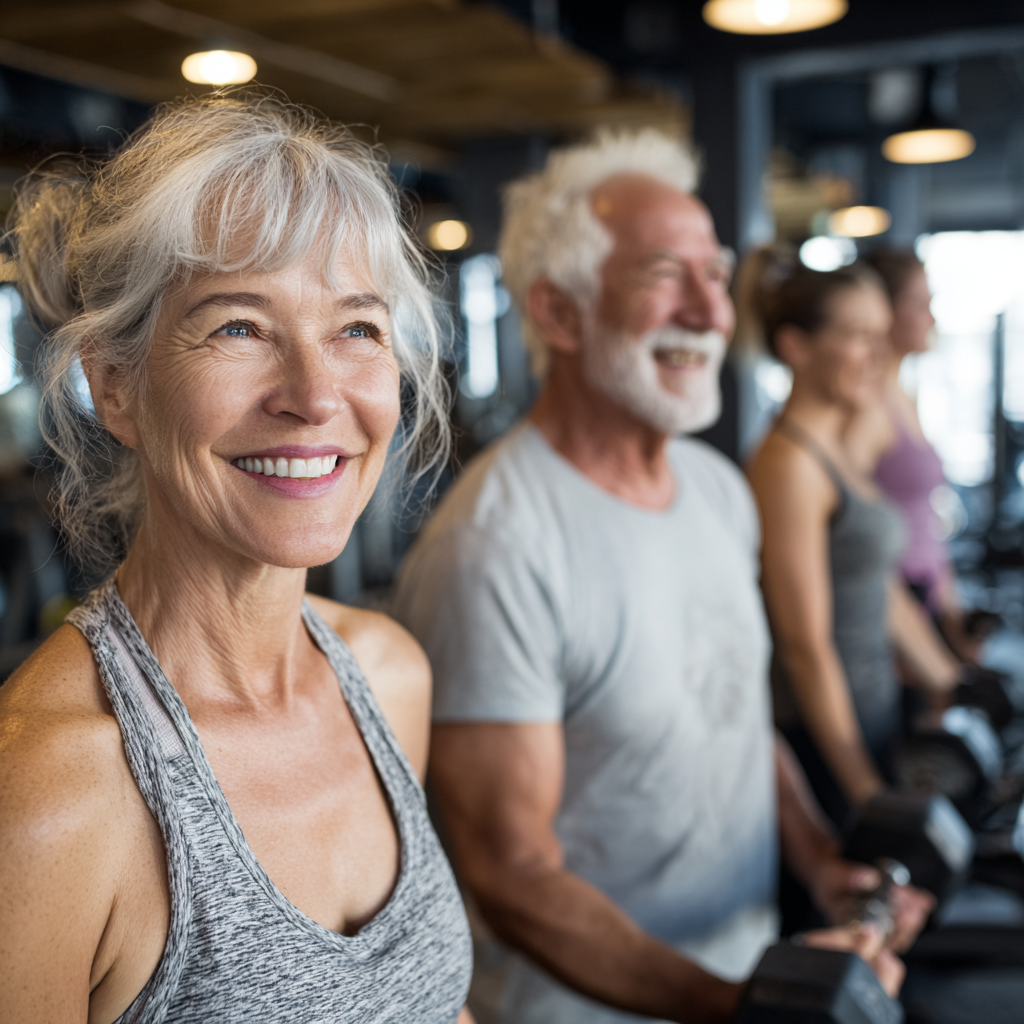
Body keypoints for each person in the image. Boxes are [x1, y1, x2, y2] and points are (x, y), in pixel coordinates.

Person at [394, 132, 930, 1024]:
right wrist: (734, 1005)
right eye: (663, 275)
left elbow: (735, 719)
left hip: (740, 975)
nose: (711, 311)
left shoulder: (718, 491)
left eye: (714, 275)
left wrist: (820, 861)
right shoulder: (495, 545)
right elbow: (512, 876)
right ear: (559, 313)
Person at [0, 95, 472, 1024]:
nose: (315, 395)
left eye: (356, 328)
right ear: (116, 385)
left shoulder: (388, 679)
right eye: (239, 327)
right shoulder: (50, 792)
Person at [745, 255, 962, 828]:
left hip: (873, 711)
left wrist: (950, 680)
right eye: (858, 336)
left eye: (881, 334)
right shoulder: (788, 465)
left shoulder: (836, 448)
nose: (878, 354)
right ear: (795, 346)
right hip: (827, 743)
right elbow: (805, 648)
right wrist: (864, 789)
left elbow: (879, 585)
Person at [847, 248, 981, 662]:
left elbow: (924, 519)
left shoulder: (903, 394)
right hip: (895, 618)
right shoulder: (866, 409)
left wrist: (951, 610)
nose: (932, 319)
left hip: (927, 599)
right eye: (920, 305)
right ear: (884, 310)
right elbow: (851, 533)